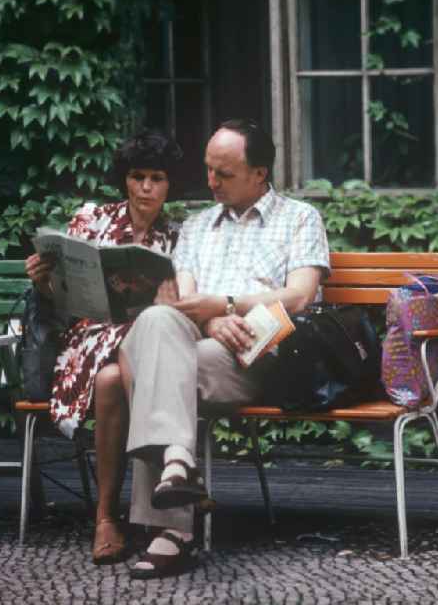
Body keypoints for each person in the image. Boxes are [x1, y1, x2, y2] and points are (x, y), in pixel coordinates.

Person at [117, 118, 329, 579]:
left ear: (259, 173)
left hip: (262, 351)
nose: (211, 181)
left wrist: (229, 304)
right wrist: (213, 317)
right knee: (155, 320)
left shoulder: (300, 219)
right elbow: (185, 302)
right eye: (208, 170)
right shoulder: (195, 227)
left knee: (149, 365)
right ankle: (178, 467)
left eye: (224, 173)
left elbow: (300, 295)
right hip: (202, 343)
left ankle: (174, 525)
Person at [24, 129, 183, 565]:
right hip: (89, 340)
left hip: (142, 346)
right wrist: (45, 281)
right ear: (124, 180)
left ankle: (108, 516)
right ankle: (151, 495)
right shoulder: (92, 220)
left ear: (170, 184)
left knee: (114, 378)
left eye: (156, 178)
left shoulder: (177, 236)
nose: (146, 187)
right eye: (137, 177)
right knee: (110, 365)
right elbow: (64, 303)